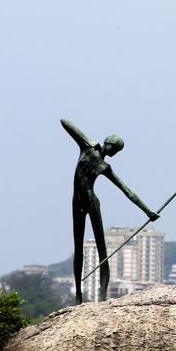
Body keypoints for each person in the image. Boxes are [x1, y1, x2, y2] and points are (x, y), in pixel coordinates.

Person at [62, 119, 159, 304]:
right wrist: (87, 139)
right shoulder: (87, 148)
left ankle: (102, 295)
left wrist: (148, 212)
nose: (114, 153)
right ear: (109, 144)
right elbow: (65, 122)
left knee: (102, 250)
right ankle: (78, 296)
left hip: (91, 202)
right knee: (78, 249)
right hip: (77, 202)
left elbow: (127, 191)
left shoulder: (105, 167)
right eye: (115, 149)